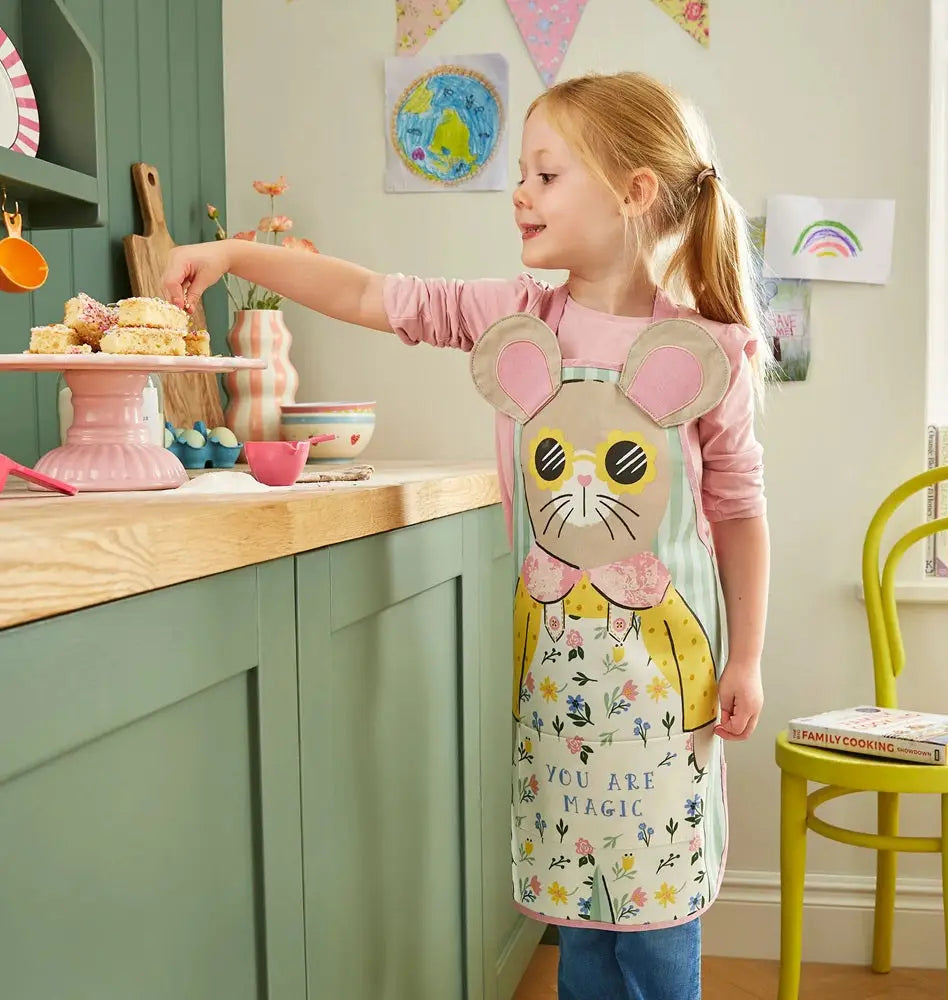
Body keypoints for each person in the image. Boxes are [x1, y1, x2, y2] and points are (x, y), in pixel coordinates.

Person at [163, 70, 770, 1000]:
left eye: (546, 174)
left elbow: (736, 510)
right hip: (558, 682)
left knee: (652, 926)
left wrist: (748, 658)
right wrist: (238, 254)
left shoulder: (707, 351)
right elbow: (372, 294)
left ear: (635, 191)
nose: (518, 193)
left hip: (666, 692)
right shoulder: (515, 319)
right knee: (580, 922)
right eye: (521, 174)